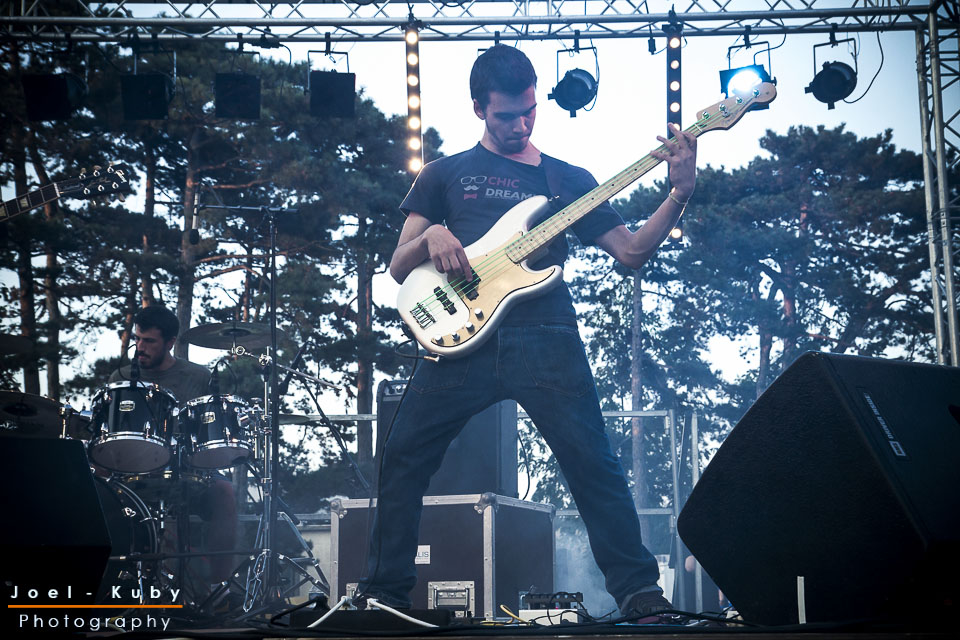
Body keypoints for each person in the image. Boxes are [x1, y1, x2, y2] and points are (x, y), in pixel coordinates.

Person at [357, 44, 696, 617]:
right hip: (459, 336)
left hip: (546, 335)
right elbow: (396, 266)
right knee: (403, 456)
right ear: (478, 108)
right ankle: (385, 596)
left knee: (592, 462)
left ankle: (640, 592)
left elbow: (632, 252)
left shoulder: (568, 178)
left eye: (530, 111)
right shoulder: (443, 173)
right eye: (506, 116)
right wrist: (431, 236)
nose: (521, 125)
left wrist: (679, 193)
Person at [107, 305, 238, 586]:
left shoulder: (197, 376)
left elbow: (207, 430)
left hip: (188, 468)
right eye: (137, 339)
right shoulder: (120, 379)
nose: (140, 347)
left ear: (170, 343)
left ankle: (220, 588)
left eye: (149, 341)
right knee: (98, 493)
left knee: (225, 492)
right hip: (134, 472)